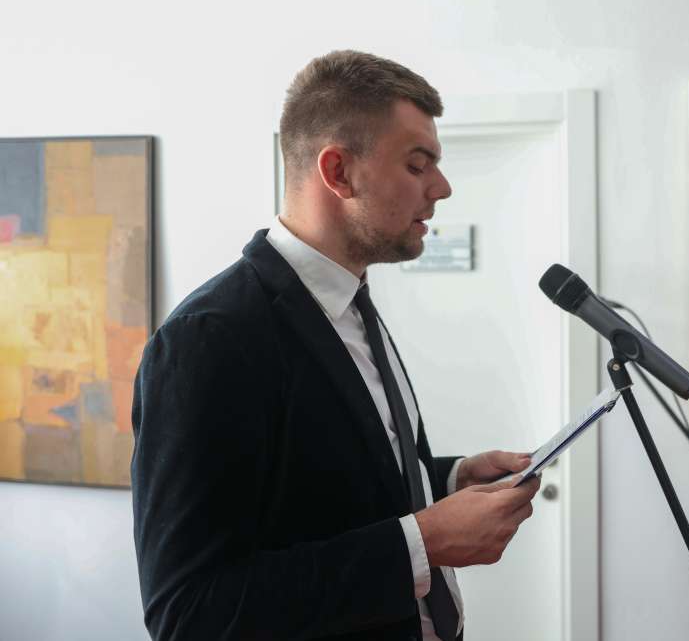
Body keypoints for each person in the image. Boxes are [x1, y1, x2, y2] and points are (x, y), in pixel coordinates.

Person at [130, 50, 542, 641]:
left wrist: (448, 479)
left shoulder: (353, 303)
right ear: (339, 172)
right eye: (418, 164)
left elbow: (323, 486)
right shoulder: (207, 340)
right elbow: (189, 612)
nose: (442, 188)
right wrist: (422, 543)